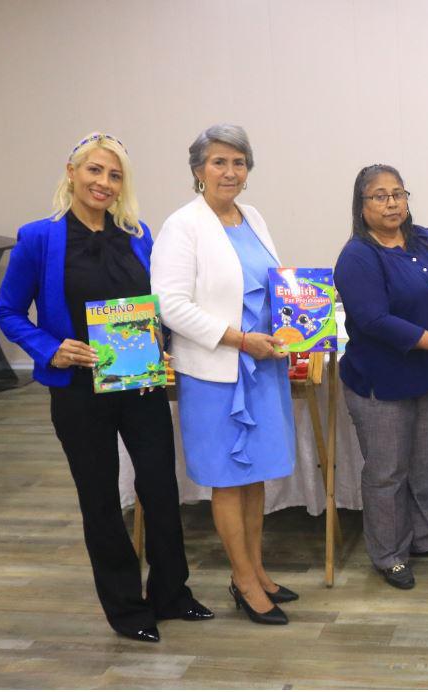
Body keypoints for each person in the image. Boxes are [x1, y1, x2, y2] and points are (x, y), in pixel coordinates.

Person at [0, 132, 212, 643]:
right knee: (100, 499)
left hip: (140, 385)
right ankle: (125, 608)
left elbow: (156, 302)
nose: (104, 183)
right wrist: (50, 348)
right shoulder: (38, 238)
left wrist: (159, 342)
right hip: (78, 390)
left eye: (114, 175)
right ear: (71, 173)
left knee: (160, 488)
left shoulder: (138, 234)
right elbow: (7, 311)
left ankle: (172, 593)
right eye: (95, 171)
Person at [151, 124, 297, 625]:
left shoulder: (251, 217)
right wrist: (237, 338)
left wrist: (299, 311)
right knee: (229, 480)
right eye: (218, 162)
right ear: (198, 170)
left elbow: (271, 280)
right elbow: (170, 305)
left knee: (255, 475)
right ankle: (242, 580)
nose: (229, 172)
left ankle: (257, 570)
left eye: (238, 162)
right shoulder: (182, 225)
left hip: (262, 366)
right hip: (216, 372)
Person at [334, 164, 428, 590]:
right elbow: (375, 320)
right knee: (386, 471)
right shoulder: (357, 255)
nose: (392, 202)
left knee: (425, 464)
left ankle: (423, 537)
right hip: (381, 380)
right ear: (361, 207)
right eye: (379, 195)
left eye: (398, 193)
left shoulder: (424, 237)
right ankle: (388, 554)